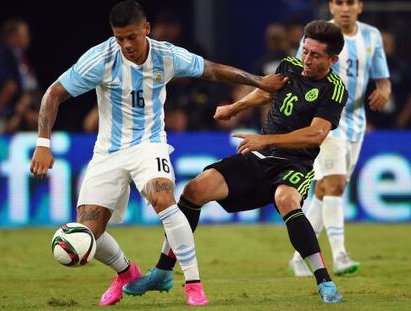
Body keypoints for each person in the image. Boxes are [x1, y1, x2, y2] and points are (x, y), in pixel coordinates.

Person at [29, 0, 286, 307]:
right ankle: (125, 273)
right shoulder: (100, 59)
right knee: (87, 233)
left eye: (132, 37)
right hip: (107, 152)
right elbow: (54, 93)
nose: (125, 45)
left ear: (146, 29)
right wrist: (43, 144)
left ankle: (193, 283)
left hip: (149, 145)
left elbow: (213, 71)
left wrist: (258, 81)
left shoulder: (166, 55)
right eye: (119, 38)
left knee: (164, 199)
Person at [124, 20, 347, 304]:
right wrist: (235, 107)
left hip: (294, 164)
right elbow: (268, 91)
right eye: (305, 51)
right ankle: (163, 271)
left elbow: (316, 134)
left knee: (286, 199)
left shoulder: (334, 89)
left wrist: (265, 140)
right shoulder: (290, 65)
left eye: (315, 55)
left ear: (333, 59)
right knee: (194, 191)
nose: (307, 59)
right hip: (258, 156)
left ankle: (325, 282)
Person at [289, 0, 391, 277]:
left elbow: (382, 78)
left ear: (360, 6)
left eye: (350, 2)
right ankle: (340, 256)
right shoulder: (319, 37)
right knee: (332, 184)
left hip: (357, 121)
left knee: (326, 191)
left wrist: (384, 89)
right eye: (339, 2)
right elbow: (302, 73)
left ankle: (300, 256)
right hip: (325, 119)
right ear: (331, 7)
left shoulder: (371, 36)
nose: (345, 8)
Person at [0, 18, 39, 133]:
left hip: (23, 110)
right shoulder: (3, 56)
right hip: (8, 114)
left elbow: (30, 86)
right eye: (24, 35)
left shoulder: (20, 57)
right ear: (13, 36)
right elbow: (9, 88)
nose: (28, 38)